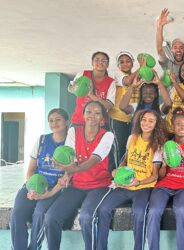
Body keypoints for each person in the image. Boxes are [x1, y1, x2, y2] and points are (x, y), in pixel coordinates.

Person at [44, 101, 115, 250]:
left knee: (86, 217)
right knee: (51, 217)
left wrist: (72, 169)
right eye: (89, 112)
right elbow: (70, 158)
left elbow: (94, 159)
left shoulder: (107, 135)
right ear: (83, 114)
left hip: (99, 185)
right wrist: (67, 175)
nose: (92, 116)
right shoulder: (73, 131)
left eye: (97, 113)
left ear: (102, 118)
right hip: (77, 185)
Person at [96, 109, 166, 250]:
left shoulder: (158, 145)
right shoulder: (132, 138)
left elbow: (155, 176)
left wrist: (138, 182)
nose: (146, 123)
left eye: (151, 121)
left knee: (139, 212)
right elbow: (125, 161)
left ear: (156, 124)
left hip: (143, 187)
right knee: (103, 209)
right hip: (125, 185)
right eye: (144, 119)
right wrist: (118, 170)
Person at [10, 108, 69, 250]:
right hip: (33, 185)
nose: (54, 123)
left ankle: (34, 247)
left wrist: (48, 193)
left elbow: (69, 174)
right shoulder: (42, 140)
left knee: (40, 213)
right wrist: (31, 189)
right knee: (17, 213)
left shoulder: (70, 144)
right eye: (51, 120)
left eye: (58, 119)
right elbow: (30, 169)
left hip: (54, 189)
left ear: (67, 122)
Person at [146, 108, 184, 250]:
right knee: (154, 211)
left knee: (181, 209)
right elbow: (161, 175)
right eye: (178, 124)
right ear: (172, 126)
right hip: (165, 185)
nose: (182, 127)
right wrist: (164, 165)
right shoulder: (165, 145)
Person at [68, 51, 116, 127]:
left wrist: (91, 95)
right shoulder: (82, 74)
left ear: (107, 64)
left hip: (99, 123)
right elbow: (70, 88)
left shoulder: (111, 82)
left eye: (104, 60)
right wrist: (75, 89)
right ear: (92, 62)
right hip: (79, 121)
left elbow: (108, 106)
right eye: (97, 60)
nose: (100, 62)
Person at [109, 51, 138, 162]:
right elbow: (127, 81)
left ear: (132, 63)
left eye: (128, 61)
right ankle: (117, 174)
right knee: (119, 148)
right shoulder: (117, 74)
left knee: (130, 149)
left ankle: (127, 175)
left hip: (132, 121)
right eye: (122, 62)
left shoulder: (138, 77)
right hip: (117, 119)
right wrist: (142, 67)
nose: (125, 64)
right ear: (118, 65)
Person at [156, 6, 184, 77]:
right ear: (171, 50)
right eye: (175, 47)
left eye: (181, 47)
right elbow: (159, 49)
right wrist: (160, 27)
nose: (178, 50)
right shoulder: (167, 64)